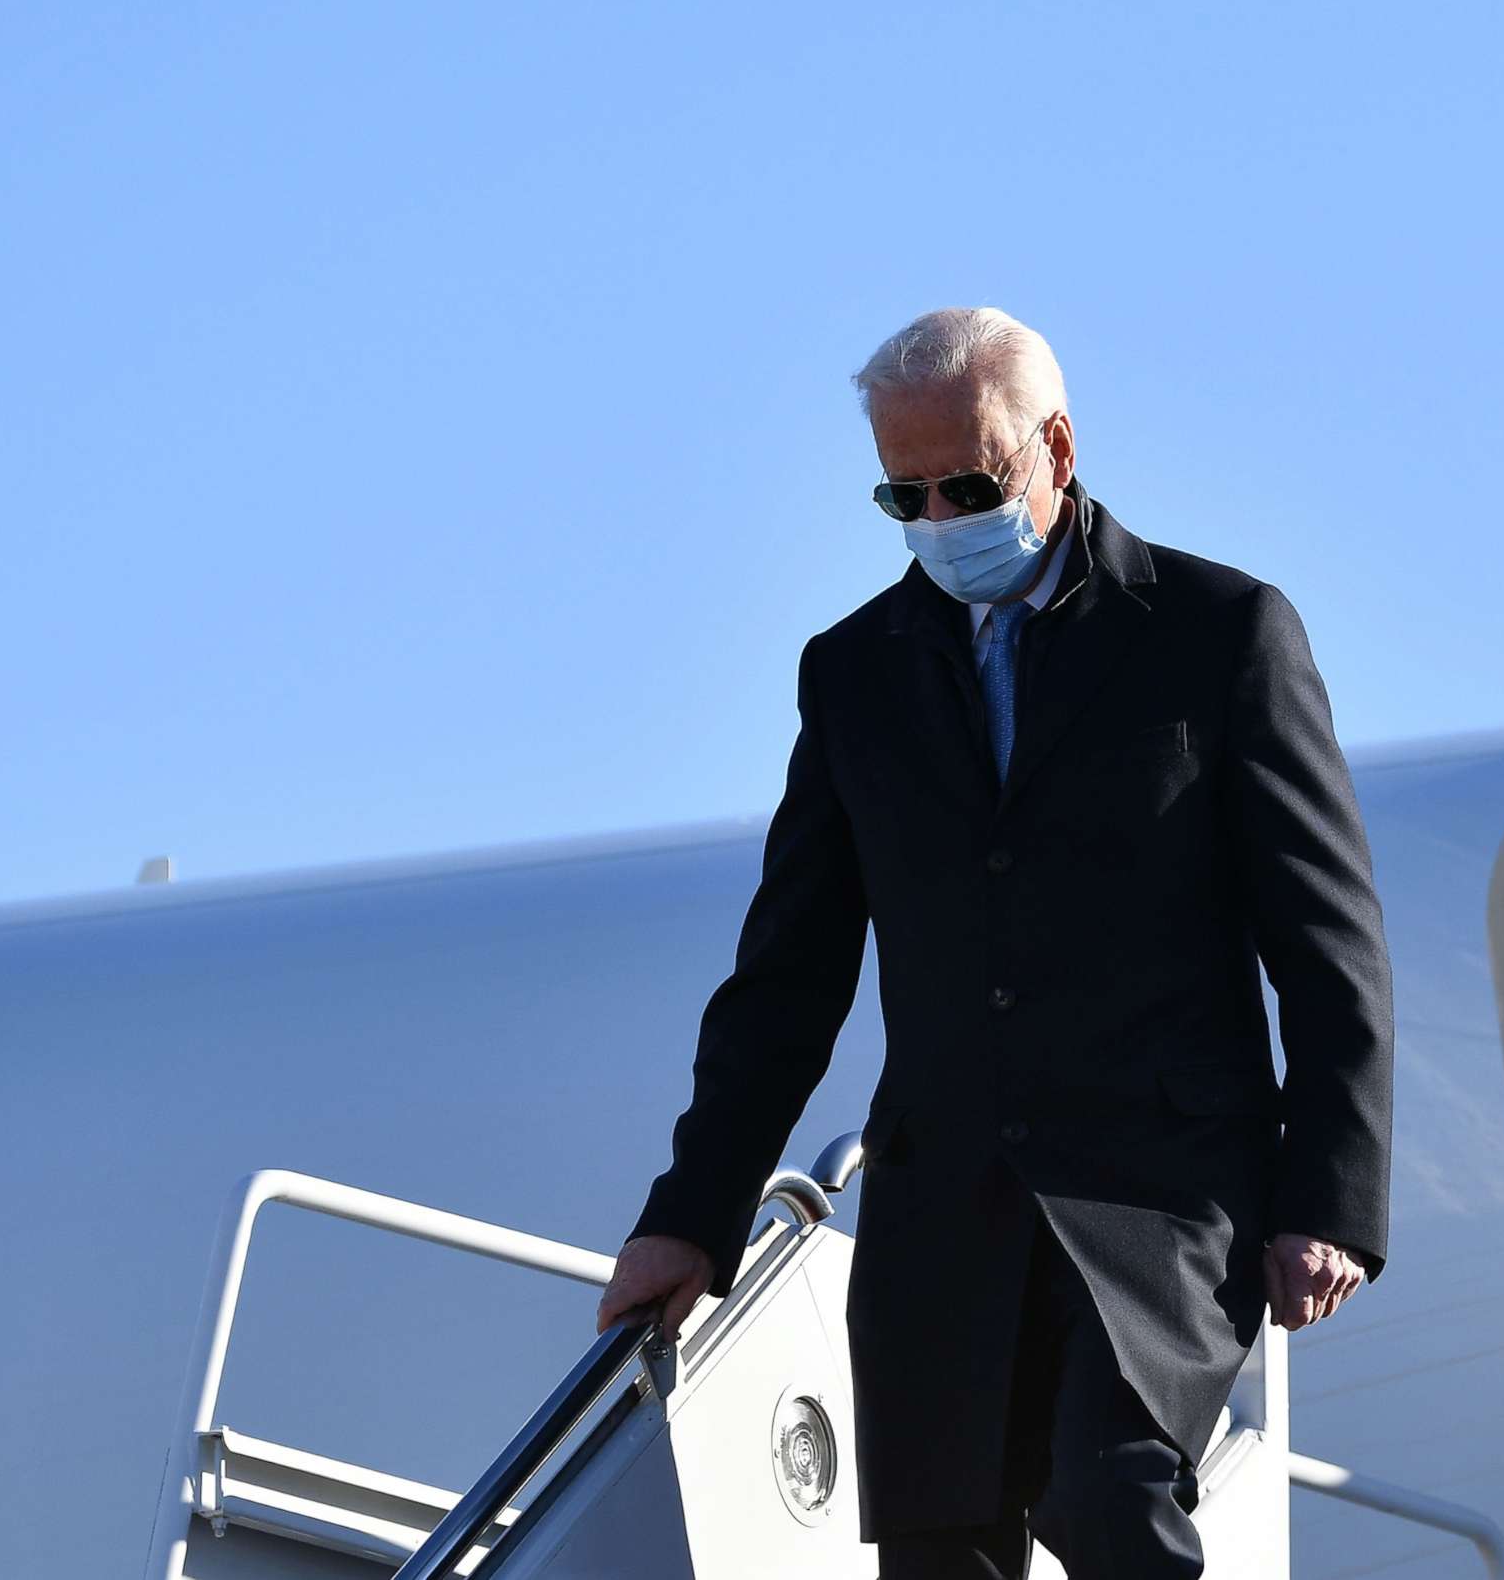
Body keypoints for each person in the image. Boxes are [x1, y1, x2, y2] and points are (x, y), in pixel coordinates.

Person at [596, 306, 1395, 1578]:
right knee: (941, 1558)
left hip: (1161, 1192)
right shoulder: (854, 674)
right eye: (900, 497)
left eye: (968, 484)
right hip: (944, 1203)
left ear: (1057, 450)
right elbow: (787, 975)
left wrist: (1333, 1197)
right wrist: (691, 1216)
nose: (940, 521)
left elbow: (1328, 940)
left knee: (1111, 1498)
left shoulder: (1217, 634)